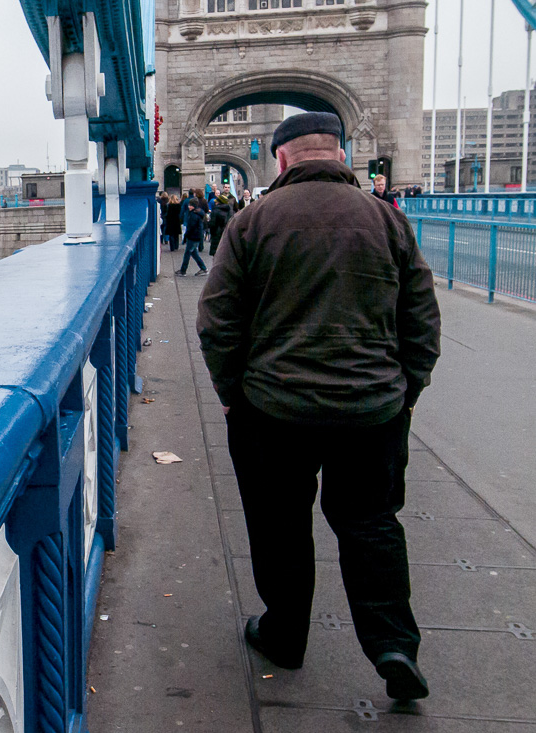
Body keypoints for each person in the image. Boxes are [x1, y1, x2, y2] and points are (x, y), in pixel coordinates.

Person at [196, 112, 441, 701]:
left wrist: (234, 396)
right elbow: (423, 321)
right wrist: (406, 391)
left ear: (279, 160)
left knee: (280, 524)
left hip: (273, 408)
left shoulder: (252, 222)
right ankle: (393, 647)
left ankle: (285, 635)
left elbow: (217, 321)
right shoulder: (389, 220)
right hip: (372, 408)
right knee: (371, 524)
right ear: (340, 154)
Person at [177, 197, 208, 276]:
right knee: (194, 253)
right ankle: (203, 268)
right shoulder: (198, 213)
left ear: (193, 206)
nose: (188, 206)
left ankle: (183, 270)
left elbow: (190, 227)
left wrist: (185, 237)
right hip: (196, 236)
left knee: (187, 253)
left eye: (190, 205)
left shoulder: (193, 215)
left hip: (192, 236)